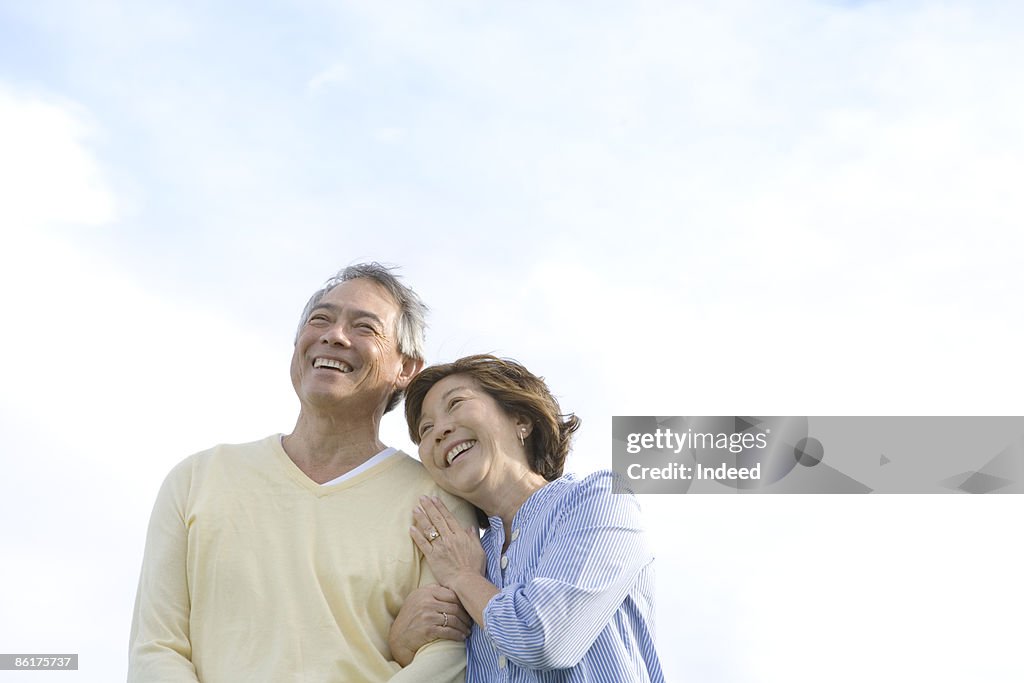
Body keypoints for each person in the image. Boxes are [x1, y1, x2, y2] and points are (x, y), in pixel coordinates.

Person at [128, 263, 475, 682]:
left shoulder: (436, 502)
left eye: (364, 327)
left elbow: (446, 656)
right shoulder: (197, 480)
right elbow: (156, 648)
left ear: (406, 369)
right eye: (320, 319)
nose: (334, 335)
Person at [402, 354, 665, 682]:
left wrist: (463, 577)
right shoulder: (463, 554)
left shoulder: (601, 498)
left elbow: (544, 636)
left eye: (456, 403)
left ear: (521, 420)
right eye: (425, 430)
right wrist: (402, 641)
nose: (439, 430)